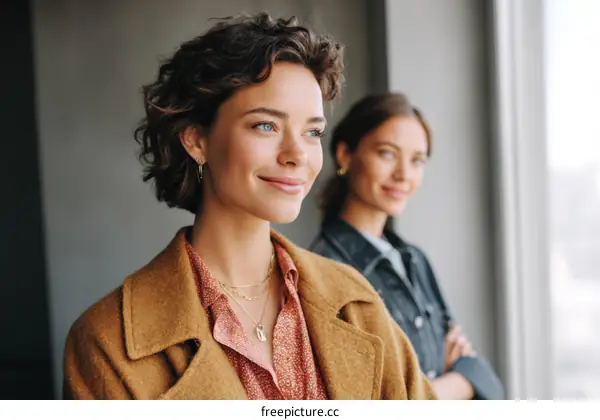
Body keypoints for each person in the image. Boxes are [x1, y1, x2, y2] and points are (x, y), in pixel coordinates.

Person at [62, 14, 437, 400]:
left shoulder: (356, 301)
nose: (296, 155)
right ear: (196, 141)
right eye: (266, 126)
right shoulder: (107, 342)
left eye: (312, 132)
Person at [309, 93, 505, 400]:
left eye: (417, 160)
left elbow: (485, 378)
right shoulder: (324, 271)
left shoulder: (414, 260)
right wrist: (459, 382)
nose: (403, 174)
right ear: (346, 154)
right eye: (387, 154)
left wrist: (452, 379)